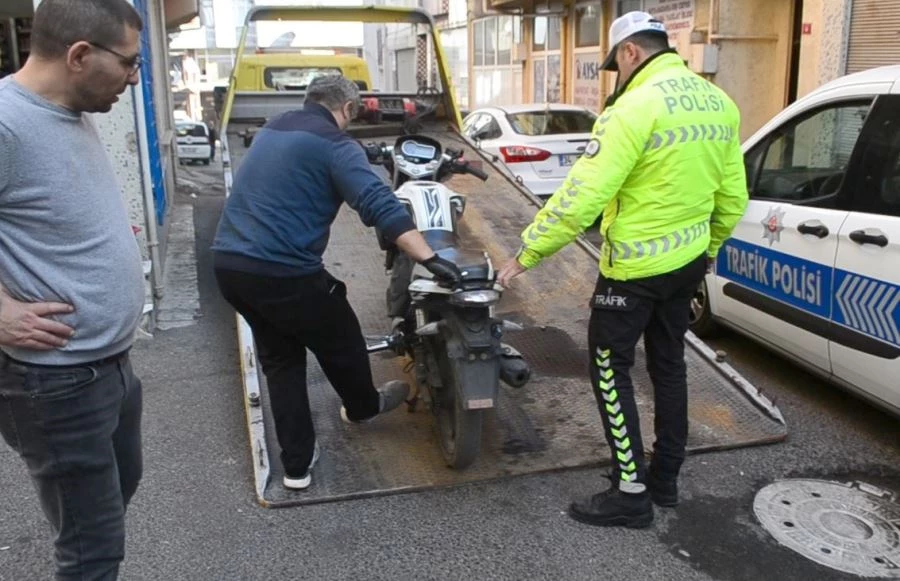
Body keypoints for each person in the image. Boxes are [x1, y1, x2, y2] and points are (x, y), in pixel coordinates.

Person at [498, 11, 748, 528]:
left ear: (630, 52)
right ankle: (666, 481)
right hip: (685, 265)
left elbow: (581, 196)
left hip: (632, 272)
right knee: (670, 366)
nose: (617, 74)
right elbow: (732, 196)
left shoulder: (632, 109)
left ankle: (630, 491)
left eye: (616, 64)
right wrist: (708, 249)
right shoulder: (720, 104)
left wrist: (527, 254)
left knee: (611, 371)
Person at [212, 74, 462, 491]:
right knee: (341, 338)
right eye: (356, 113)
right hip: (283, 272)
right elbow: (378, 201)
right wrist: (430, 257)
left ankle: (296, 467)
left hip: (230, 267)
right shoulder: (336, 145)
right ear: (347, 109)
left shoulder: (275, 128)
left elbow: (298, 164)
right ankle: (363, 408)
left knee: (282, 360)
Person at [0, 0, 147, 578]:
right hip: (56, 380)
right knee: (92, 552)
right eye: (130, 64)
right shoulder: (6, 123)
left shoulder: (70, 109)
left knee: (112, 499)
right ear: (80, 56)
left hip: (109, 365)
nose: (134, 80)